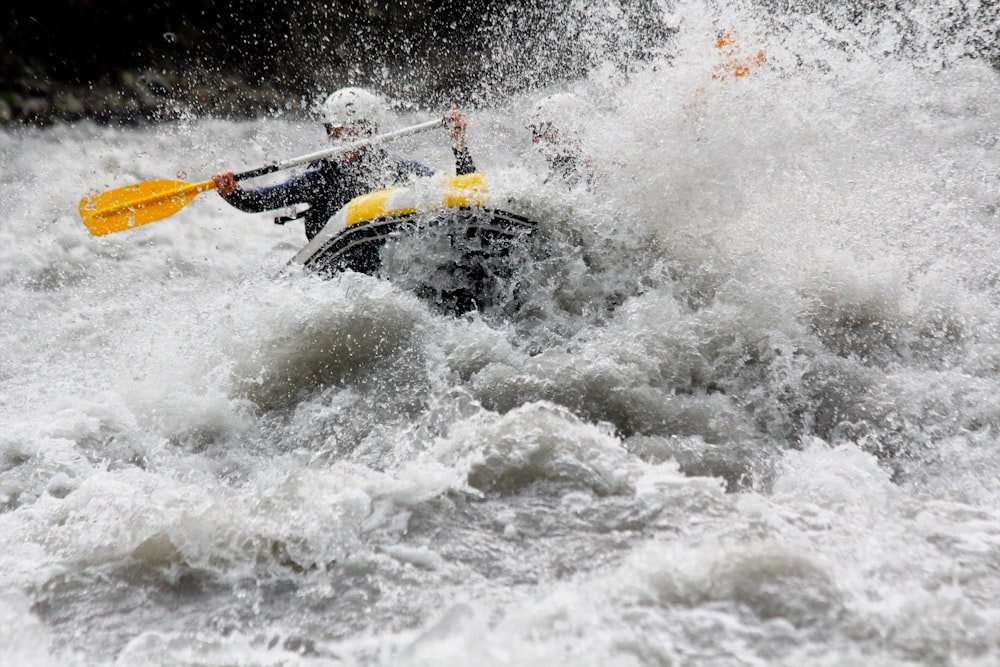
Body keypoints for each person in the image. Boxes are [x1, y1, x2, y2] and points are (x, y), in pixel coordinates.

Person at [212, 87, 476, 240]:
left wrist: (459, 145)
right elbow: (257, 202)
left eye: (352, 128)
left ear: (371, 129)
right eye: (335, 131)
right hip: (340, 272)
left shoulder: (396, 169)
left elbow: (462, 193)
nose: (343, 137)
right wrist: (230, 191)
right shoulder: (319, 178)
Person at [525, 92, 594, 188]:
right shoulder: (556, 179)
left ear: (566, 130)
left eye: (538, 132)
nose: (535, 141)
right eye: (533, 133)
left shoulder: (598, 178)